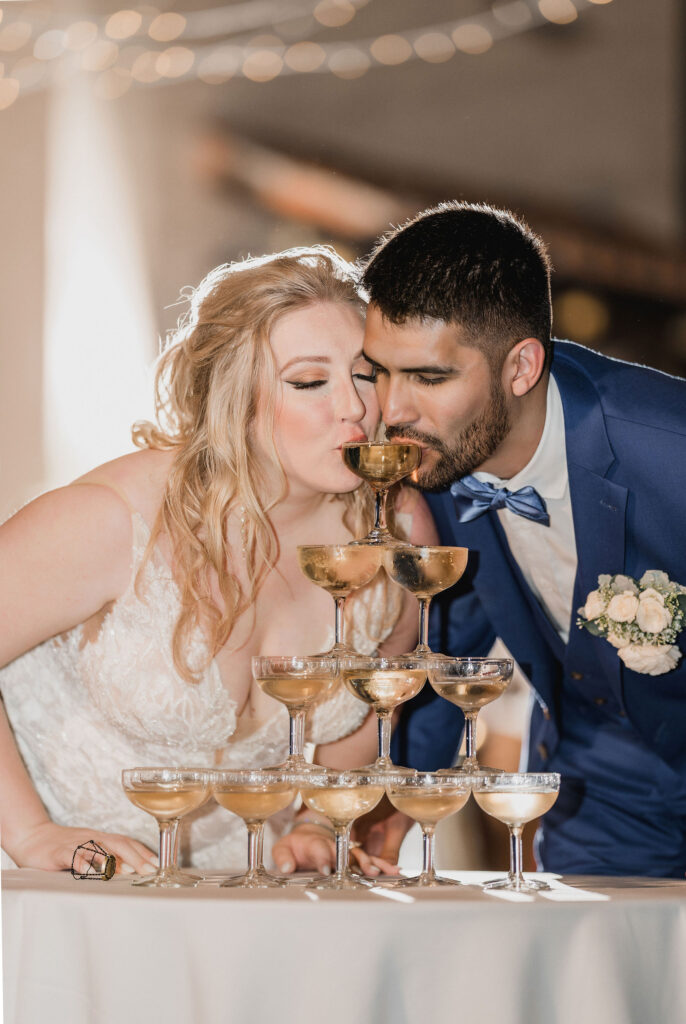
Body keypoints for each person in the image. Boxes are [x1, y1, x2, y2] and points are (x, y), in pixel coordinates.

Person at [0, 246, 436, 877]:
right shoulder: (113, 520)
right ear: (236, 398)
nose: (355, 409)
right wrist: (31, 834)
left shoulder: (396, 528)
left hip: (244, 886)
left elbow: (376, 703)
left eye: (366, 374)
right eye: (310, 382)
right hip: (52, 880)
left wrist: (316, 822)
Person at [360, 201, 686, 877]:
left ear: (520, 366)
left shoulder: (669, 449)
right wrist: (396, 797)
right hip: (601, 796)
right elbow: (450, 636)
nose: (392, 411)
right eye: (381, 371)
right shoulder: (440, 466)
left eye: (429, 376)